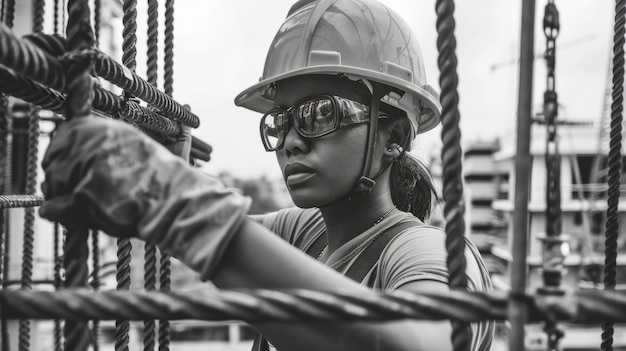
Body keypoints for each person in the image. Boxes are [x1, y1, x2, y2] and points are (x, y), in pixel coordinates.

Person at [39, 0, 495, 350]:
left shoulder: (425, 252)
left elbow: (422, 343)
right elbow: (221, 233)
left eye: (319, 113)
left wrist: (175, 201)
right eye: (280, 120)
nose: (292, 140)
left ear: (393, 134)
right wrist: (154, 169)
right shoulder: (309, 232)